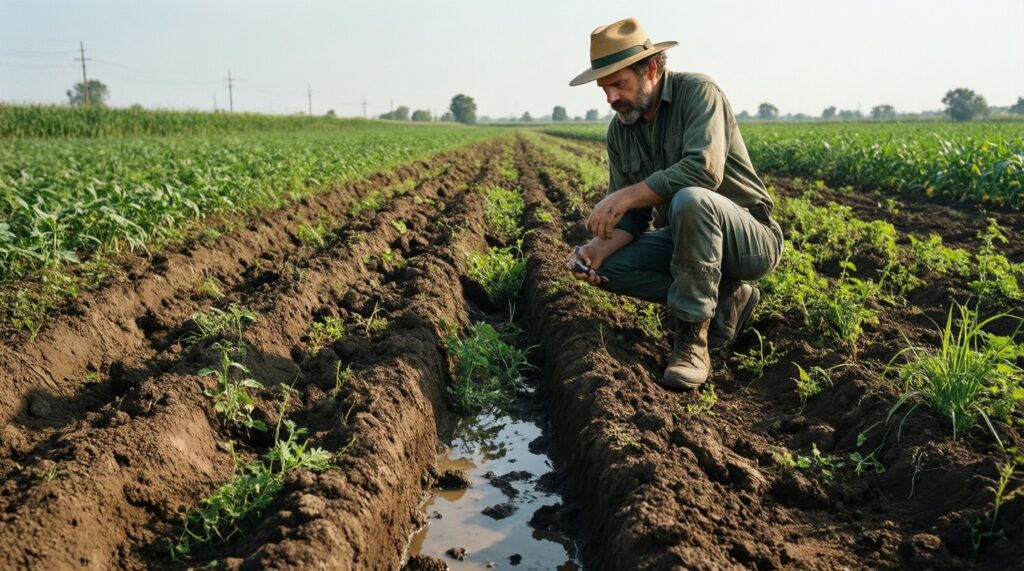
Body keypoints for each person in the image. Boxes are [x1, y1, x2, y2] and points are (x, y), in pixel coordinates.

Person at [566, 17, 784, 390]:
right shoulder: (620, 130)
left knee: (692, 199)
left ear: (650, 68)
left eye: (619, 84)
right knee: (610, 269)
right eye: (604, 89)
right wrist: (595, 250)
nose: (611, 98)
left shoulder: (698, 92)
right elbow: (631, 220)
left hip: (750, 237)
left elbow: (704, 172)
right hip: (687, 237)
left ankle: (693, 340)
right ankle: (726, 296)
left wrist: (626, 194)